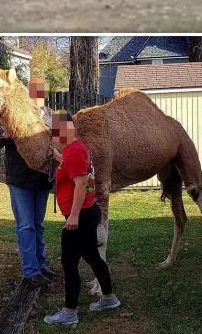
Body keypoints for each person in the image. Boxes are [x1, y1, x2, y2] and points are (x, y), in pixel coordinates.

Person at [43, 111, 121, 326]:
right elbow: (79, 174)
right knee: (93, 257)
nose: (52, 134)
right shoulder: (74, 149)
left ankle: (69, 313)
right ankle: (109, 298)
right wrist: (60, 158)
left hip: (80, 216)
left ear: (67, 129)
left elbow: (80, 184)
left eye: (55, 131)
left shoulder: (75, 151)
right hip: (88, 211)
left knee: (69, 263)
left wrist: (74, 215)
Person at [0, 76, 56, 285]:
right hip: (20, 178)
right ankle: (31, 270)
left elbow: (64, 141)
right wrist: (6, 136)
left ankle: (41, 263)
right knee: (25, 225)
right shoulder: (10, 114)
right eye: (33, 91)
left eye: (40, 91)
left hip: (42, 178)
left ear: (44, 94)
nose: (36, 95)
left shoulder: (52, 116)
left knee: (38, 223)